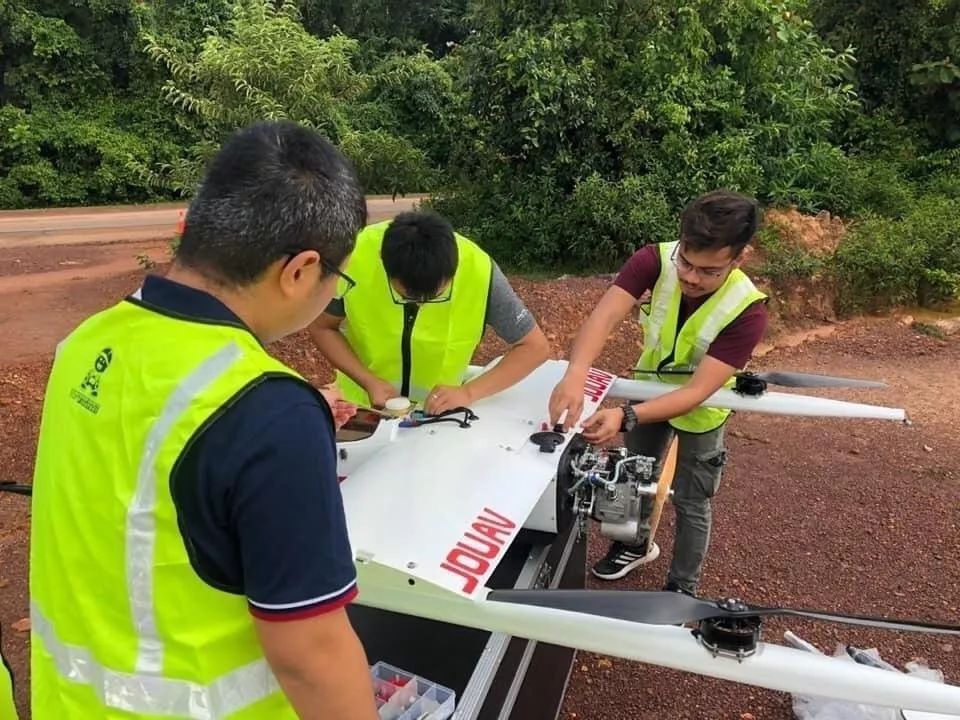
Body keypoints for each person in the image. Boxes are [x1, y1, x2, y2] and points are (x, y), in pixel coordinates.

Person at [29, 120, 380, 719]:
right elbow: (311, 654)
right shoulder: (271, 411)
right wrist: (276, 425)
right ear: (300, 270)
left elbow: (138, 472)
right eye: (336, 279)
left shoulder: (88, 341)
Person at [548, 190, 768, 596]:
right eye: (686, 261)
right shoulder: (653, 259)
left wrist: (624, 416)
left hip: (701, 410)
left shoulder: (748, 310)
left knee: (692, 499)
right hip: (649, 389)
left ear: (740, 258)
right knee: (635, 475)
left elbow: (698, 391)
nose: (691, 277)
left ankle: (682, 589)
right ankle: (635, 545)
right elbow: (604, 316)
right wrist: (576, 373)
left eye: (709, 271)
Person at [309, 210, 551, 415]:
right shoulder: (353, 258)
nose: (421, 305)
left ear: (454, 268)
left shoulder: (480, 272)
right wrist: (368, 381)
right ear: (383, 262)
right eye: (408, 296)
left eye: (434, 296)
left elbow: (534, 347)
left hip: (438, 419)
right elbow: (322, 327)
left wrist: (468, 392)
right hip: (362, 412)